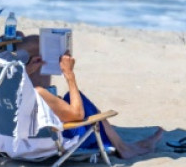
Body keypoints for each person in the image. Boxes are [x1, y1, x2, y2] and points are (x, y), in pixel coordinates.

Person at [26, 53, 163, 159]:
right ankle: (123, 148)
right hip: (52, 144)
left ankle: (124, 146)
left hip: (20, 145)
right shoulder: (38, 92)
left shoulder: (8, 93)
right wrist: (69, 75)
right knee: (78, 101)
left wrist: (27, 72)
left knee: (66, 100)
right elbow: (78, 114)